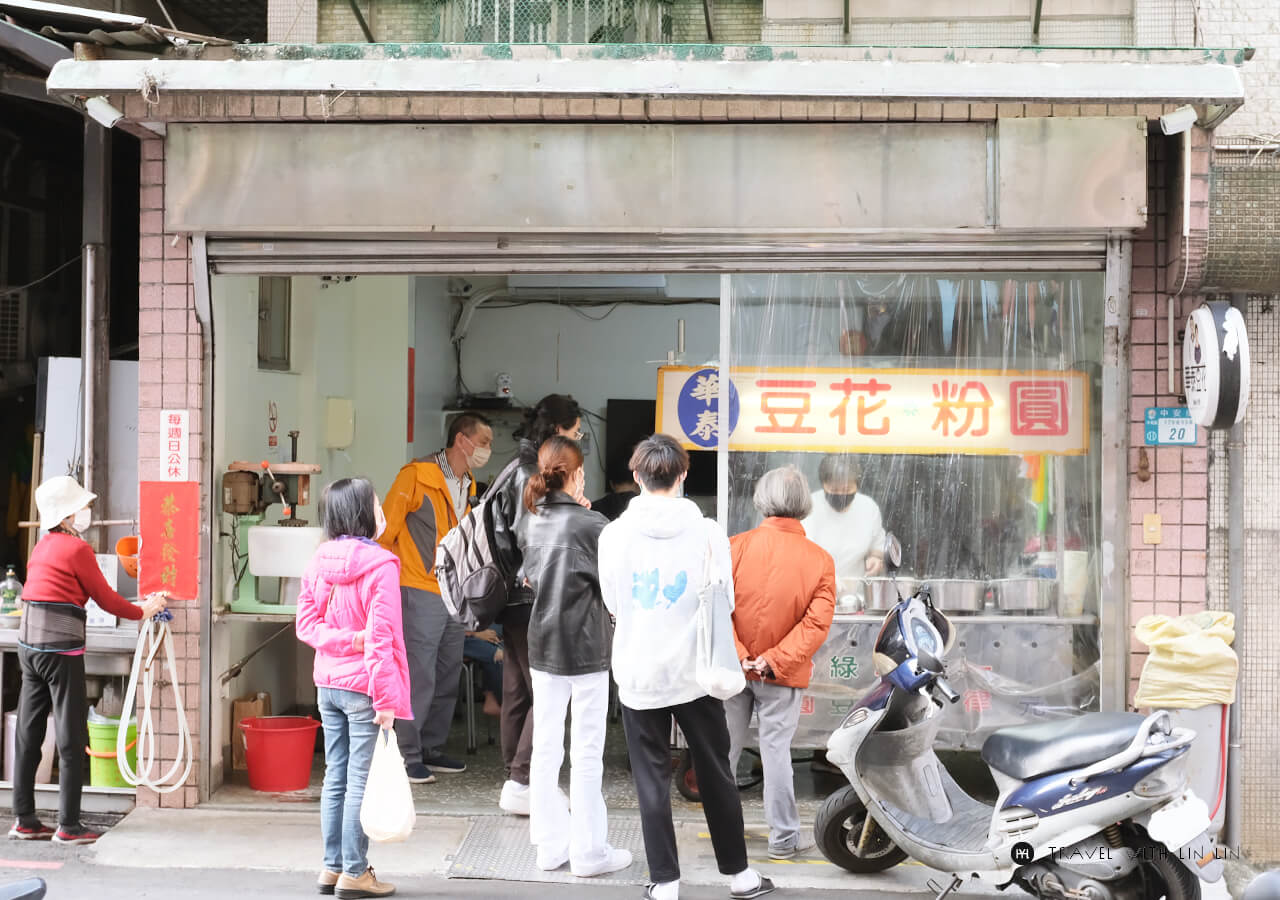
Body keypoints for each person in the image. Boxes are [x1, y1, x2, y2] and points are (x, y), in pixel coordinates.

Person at [599, 435, 774, 900]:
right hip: (697, 672)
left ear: (636, 477)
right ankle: (738, 876)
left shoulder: (614, 534)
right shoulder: (709, 532)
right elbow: (725, 601)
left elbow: (613, 601)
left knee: (651, 777)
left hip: (638, 672)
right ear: (682, 476)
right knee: (716, 770)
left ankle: (665, 882)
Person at [8, 477, 167, 845]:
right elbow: (107, 599)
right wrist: (145, 609)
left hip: (29, 647)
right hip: (61, 650)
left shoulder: (41, 547)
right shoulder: (77, 550)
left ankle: (24, 818)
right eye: (81, 507)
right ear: (66, 516)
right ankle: (68, 825)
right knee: (70, 734)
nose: (86, 512)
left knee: (29, 732)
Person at [518, 436, 632, 877]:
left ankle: (550, 847)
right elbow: (614, 590)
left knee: (546, 750)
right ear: (575, 474)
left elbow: (528, 580)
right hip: (586, 651)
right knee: (586, 753)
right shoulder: (593, 525)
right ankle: (589, 852)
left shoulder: (531, 521)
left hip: (542, 646)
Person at [296, 477, 410, 899]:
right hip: (364, 687)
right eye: (376, 503)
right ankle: (356, 872)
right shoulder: (380, 566)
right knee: (358, 779)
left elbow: (307, 626)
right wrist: (386, 699)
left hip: (327, 682)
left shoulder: (318, 560)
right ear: (363, 512)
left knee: (335, 777)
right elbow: (381, 638)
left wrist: (343, 641)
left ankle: (332, 867)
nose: (381, 510)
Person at [726, 466, 836, 860]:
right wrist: (773, 661)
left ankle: (725, 837)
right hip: (782, 675)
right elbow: (816, 624)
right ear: (803, 505)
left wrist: (742, 656)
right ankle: (783, 839)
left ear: (761, 500)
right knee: (776, 754)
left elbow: (716, 611)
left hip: (733, 672)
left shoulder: (733, 547)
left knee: (724, 752)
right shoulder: (820, 560)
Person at [379, 412, 493, 782]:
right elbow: (385, 532)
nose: (487, 450)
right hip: (417, 588)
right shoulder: (415, 475)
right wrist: (385, 586)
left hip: (453, 591)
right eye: (485, 442)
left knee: (446, 674)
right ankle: (406, 752)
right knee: (419, 675)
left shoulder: (469, 483)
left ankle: (431, 746)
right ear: (462, 440)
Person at [488, 394, 584, 815]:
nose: (578, 442)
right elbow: (535, 542)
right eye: (576, 433)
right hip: (530, 594)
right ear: (559, 431)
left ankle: (516, 776)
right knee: (546, 690)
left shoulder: (515, 464)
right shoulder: (532, 471)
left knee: (517, 690)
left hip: (507, 595)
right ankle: (522, 780)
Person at [802, 454, 886, 584]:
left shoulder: (868, 507)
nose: (841, 494)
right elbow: (801, 554)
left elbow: (878, 548)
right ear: (823, 484)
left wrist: (875, 559)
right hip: (815, 588)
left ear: (857, 486)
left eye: (846, 489)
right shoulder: (808, 507)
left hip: (854, 595)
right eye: (834, 489)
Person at [462, 626, 503, 717]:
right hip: (452, 636)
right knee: (501, 656)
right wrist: (476, 634)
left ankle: (492, 696)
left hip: (470, 627)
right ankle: (500, 701)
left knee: (503, 627)